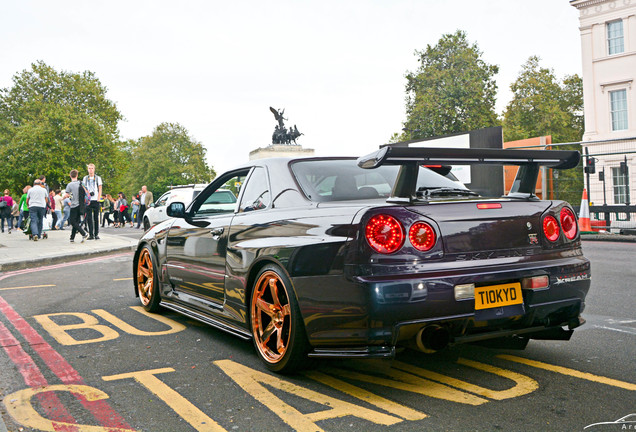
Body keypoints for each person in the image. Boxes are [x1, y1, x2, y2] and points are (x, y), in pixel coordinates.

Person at [64, 169, 89, 243]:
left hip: (74, 205)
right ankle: (72, 237)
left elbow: (67, 195)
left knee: (72, 222)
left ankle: (84, 233)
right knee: (76, 222)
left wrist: (63, 197)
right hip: (81, 205)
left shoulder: (70, 185)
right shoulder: (81, 183)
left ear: (70, 175)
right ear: (77, 175)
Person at [82, 163, 103, 240]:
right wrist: (87, 195)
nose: (90, 170)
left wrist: (98, 198)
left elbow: (100, 188)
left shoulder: (98, 178)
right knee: (89, 218)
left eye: (92, 168)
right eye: (89, 168)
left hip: (95, 200)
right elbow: (83, 188)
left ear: (94, 169)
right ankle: (91, 234)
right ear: (87, 169)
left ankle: (96, 234)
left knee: (96, 218)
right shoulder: (85, 178)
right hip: (88, 200)